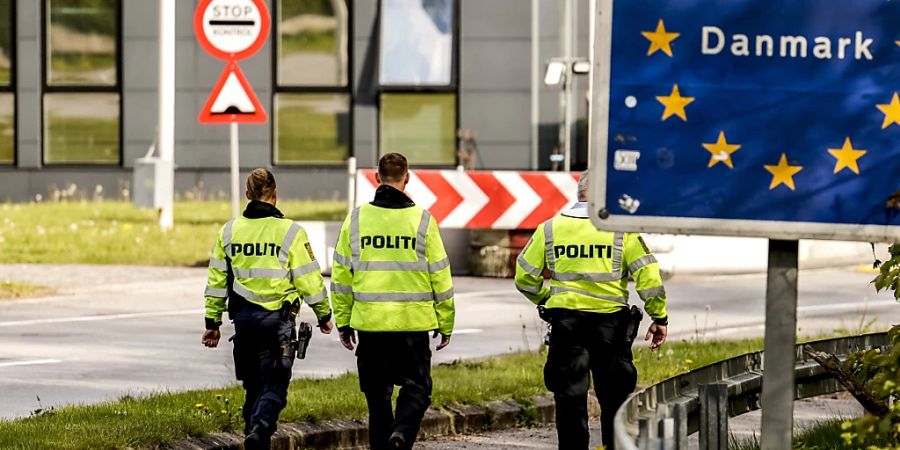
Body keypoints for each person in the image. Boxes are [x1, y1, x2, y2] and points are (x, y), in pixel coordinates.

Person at [514, 171, 669, 450]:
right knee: (615, 401)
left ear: (579, 193)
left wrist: (549, 299)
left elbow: (524, 277)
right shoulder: (622, 230)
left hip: (567, 326)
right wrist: (659, 316)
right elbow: (649, 276)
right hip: (611, 329)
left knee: (570, 401)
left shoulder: (550, 229)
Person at [201, 168, 334, 450]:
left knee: (252, 387)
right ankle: (260, 430)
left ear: (248, 194)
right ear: (275, 194)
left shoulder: (229, 231)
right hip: (278, 323)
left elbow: (216, 281)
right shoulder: (291, 232)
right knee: (274, 386)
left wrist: (212, 322)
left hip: (245, 323)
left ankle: (253, 434)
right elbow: (309, 278)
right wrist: (324, 314)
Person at [331, 153, 455, 450]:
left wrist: (344, 321)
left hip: (371, 325)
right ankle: (401, 433)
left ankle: (386, 441)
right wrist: (446, 321)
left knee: (378, 397)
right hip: (412, 326)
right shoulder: (423, 220)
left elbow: (341, 275)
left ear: (377, 177)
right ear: (407, 177)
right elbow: (441, 275)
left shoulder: (357, 219)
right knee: (417, 388)